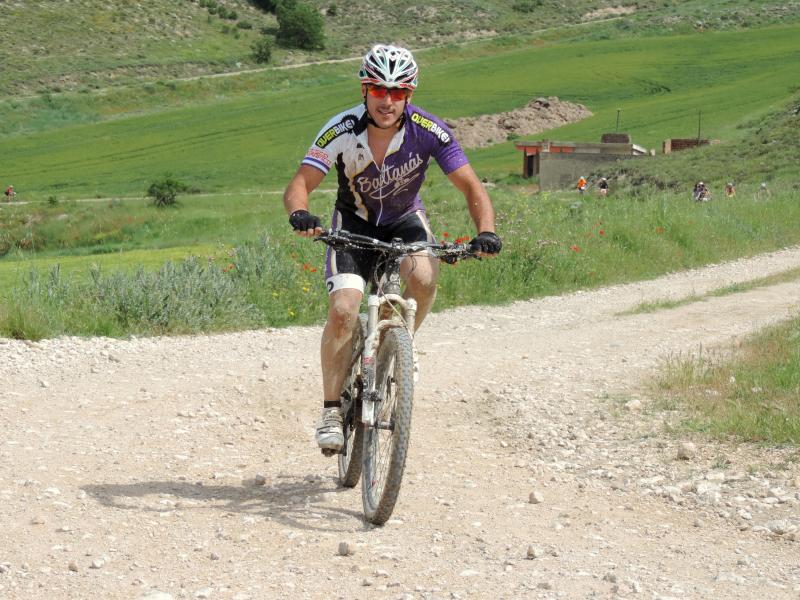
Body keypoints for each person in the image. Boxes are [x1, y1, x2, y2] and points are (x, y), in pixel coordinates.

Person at [282, 44, 502, 453]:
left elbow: (472, 185)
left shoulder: (429, 130)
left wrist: (486, 232)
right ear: (364, 90)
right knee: (345, 308)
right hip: (353, 222)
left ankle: (397, 346)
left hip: (404, 221)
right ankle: (332, 408)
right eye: (379, 90)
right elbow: (301, 182)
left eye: (398, 92)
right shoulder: (341, 127)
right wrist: (301, 213)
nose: (387, 100)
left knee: (424, 275)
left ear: (409, 95)